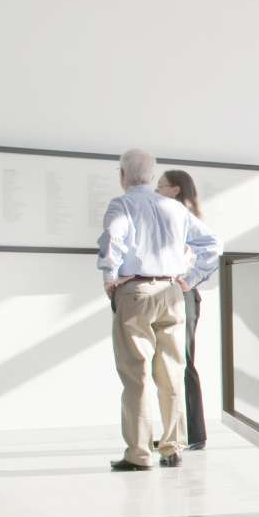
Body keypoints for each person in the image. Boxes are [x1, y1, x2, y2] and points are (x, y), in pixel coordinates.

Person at [96, 149, 221, 471]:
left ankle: (138, 454)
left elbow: (114, 238)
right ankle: (172, 447)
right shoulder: (174, 208)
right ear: (152, 177)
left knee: (135, 375)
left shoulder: (121, 204)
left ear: (123, 175)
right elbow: (211, 244)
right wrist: (190, 280)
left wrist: (110, 277)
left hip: (135, 292)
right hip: (171, 292)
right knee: (172, 371)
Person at [156, 168, 213, 450]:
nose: (156, 192)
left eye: (161, 186)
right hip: (172, 295)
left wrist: (188, 281)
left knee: (184, 362)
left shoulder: (183, 219)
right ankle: (177, 433)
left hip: (184, 296)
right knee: (170, 365)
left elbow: (211, 250)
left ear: (175, 189)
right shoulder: (167, 217)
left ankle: (195, 434)